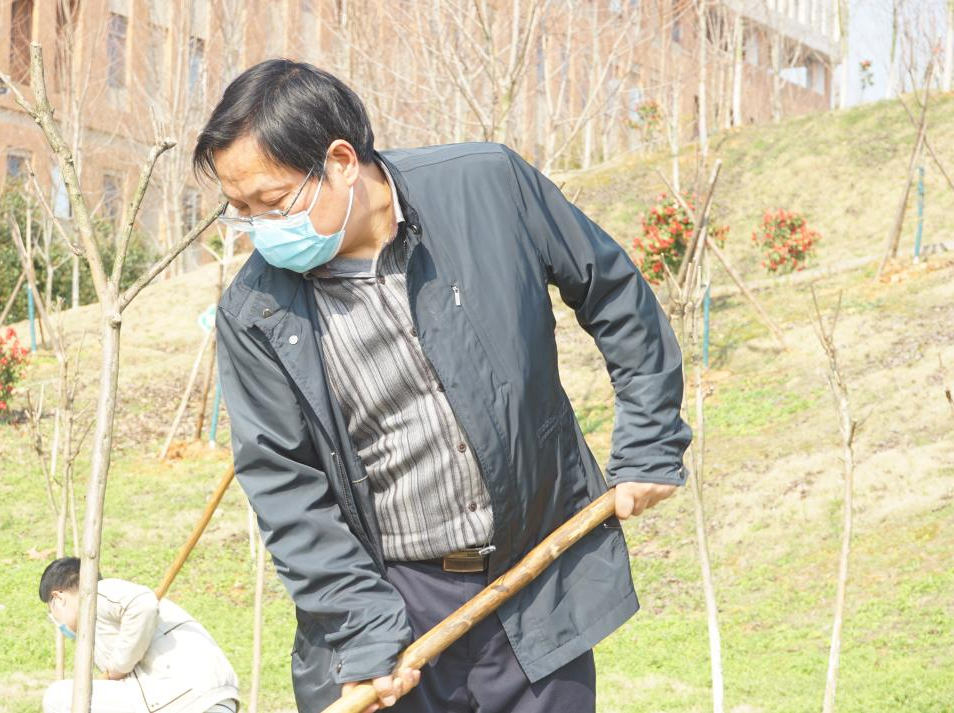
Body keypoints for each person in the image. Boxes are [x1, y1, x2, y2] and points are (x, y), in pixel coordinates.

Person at [194, 59, 693, 713]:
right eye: (241, 211)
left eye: (273, 202)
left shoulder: (486, 187)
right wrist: (363, 631)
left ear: (340, 162)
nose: (261, 230)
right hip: (395, 598)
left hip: (537, 571)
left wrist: (650, 441)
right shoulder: (255, 312)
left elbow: (613, 293)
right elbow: (287, 489)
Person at [38, 557, 239, 713]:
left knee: (60, 697)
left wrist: (119, 665)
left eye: (51, 611)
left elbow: (143, 604)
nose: (57, 621)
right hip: (207, 698)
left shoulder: (95, 594)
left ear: (58, 598)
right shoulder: (100, 627)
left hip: (183, 693)